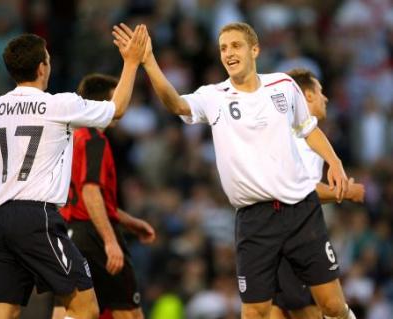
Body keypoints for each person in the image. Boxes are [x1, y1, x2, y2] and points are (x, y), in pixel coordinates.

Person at [112, 22, 357, 319]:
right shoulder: (214, 96)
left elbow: (309, 129)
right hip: (254, 220)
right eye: (223, 48)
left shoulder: (283, 85)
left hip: (301, 212)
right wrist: (148, 61)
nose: (228, 53)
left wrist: (336, 163)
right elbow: (175, 104)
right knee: (255, 311)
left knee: (331, 305)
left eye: (235, 46)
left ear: (255, 50)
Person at [0, 26, 148, 319]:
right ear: (41, 67)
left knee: (1, 313)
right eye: (47, 59)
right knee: (85, 308)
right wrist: (132, 62)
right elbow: (118, 108)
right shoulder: (59, 104)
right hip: (37, 217)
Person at [52, 74, 156, 319]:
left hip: (68, 233)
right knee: (129, 313)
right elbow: (90, 192)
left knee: (69, 310)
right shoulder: (93, 139)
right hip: (94, 235)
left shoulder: (67, 139)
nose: (123, 106)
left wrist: (130, 222)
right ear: (103, 105)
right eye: (116, 99)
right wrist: (110, 240)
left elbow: (87, 196)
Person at [269, 68, 366, 319]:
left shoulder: (292, 135)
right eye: (321, 92)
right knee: (319, 309)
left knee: (291, 310)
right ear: (308, 97)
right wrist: (344, 192)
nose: (326, 99)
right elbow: (300, 188)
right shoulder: (299, 140)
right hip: (290, 232)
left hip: (279, 231)